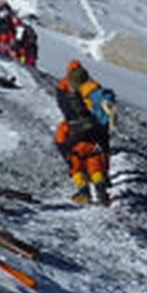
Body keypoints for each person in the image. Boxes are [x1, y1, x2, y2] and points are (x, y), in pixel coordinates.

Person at [54, 60, 118, 205]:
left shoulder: (67, 121)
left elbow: (60, 140)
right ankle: (101, 187)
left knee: (76, 169)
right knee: (95, 165)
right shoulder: (90, 88)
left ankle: (84, 192)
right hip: (94, 136)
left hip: (75, 142)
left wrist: (65, 151)